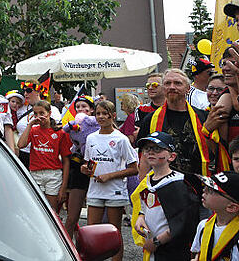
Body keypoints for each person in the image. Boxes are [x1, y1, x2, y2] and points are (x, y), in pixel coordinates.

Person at [82, 100, 139, 261]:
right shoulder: (91, 138)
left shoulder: (121, 139)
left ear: (113, 116)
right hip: (95, 190)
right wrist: (85, 169)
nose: (101, 117)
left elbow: (134, 168)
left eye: (105, 114)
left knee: (114, 232)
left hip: (115, 191)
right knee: (92, 232)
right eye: (98, 113)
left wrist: (109, 176)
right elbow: (90, 162)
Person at [130, 131, 200, 261]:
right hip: (154, 247)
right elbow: (146, 205)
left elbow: (182, 223)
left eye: (157, 149)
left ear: (172, 156)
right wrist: (141, 217)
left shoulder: (178, 184)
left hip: (172, 249)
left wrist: (156, 242)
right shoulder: (148, 180)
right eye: (147, 148)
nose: (151, 152)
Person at [137, 69, 217, 177]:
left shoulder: (203, 117)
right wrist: (143, 189)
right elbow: (144, 157)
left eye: (178, 83)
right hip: (162, 184)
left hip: (197, 183)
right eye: (167, 83)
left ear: (188, 89)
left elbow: (214, 152)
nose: (172, 87)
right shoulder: (150, 119)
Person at [17, 100, 71, 212]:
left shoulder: (60, 132)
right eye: (35, 114)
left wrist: (63, 187)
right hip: (35, 173)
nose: (39, 117)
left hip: (53, 174)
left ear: (49, 113)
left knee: (52, 210)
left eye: (42, 113)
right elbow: (21, 145)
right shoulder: (33, 130)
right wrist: (30, 124)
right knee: (35, 209)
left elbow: (66, 160)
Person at [62, 96, 99, 239]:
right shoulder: (73, 125)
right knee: (72, 216)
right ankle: (67, 247)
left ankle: (93, 248)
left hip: (96, 168)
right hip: (78, 167)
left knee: (95, 220)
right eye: (78, 107)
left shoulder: (98, 124)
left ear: (91, 110)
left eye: (84, 107)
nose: (81, 110)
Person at [191, 172, 239, 260]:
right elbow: (198, 253)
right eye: (206, 186)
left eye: (211, 190)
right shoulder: (203, 225)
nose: (204, 190)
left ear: (232, 207)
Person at [16, 81, 62, 167]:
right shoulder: (20, 109)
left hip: (43, 153)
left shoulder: (53, 110)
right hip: (23, 152)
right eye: (24, 91)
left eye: (29, 90)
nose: (25, 94)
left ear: (38, 91)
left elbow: (58, 131)